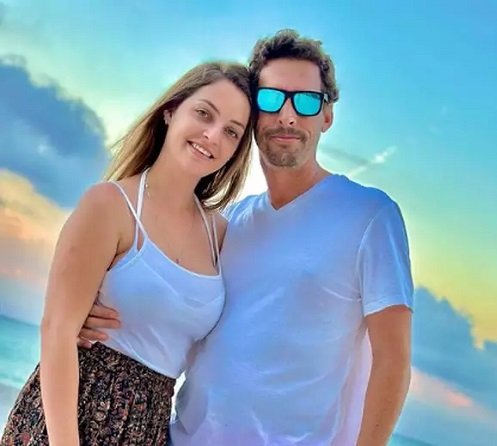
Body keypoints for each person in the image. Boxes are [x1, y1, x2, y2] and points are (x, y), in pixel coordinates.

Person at [80, 29, 414, 446]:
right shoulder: (231, 222)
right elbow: (179, 310)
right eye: (271, 99)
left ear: (327, 116)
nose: (288, 116)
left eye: (306, 101)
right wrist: (91, 316)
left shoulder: (369, 215)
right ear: (253, 112)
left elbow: (393, 359)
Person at [1, 61, 254, 445]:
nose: (213, 135)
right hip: (71, 416)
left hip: (148, 427)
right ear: (171, 111)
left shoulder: (220, 235)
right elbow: (57, 331)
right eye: (204, 113)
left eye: (231, 131)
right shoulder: (110, 205)